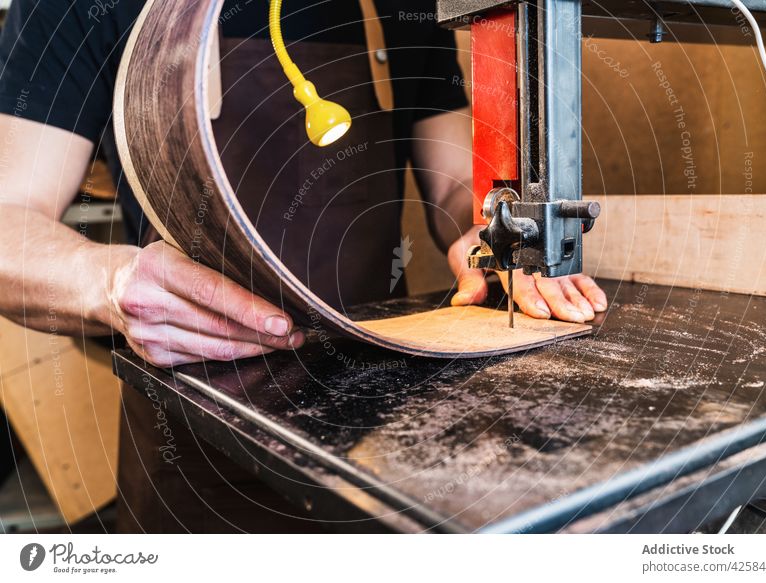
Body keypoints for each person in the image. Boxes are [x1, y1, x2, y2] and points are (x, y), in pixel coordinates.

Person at [0, 0, 606, 532]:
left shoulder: (404, 4)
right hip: (198, 445)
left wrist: (491, 234)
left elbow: (452, 188)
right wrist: (110, 283)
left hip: (381, 429)